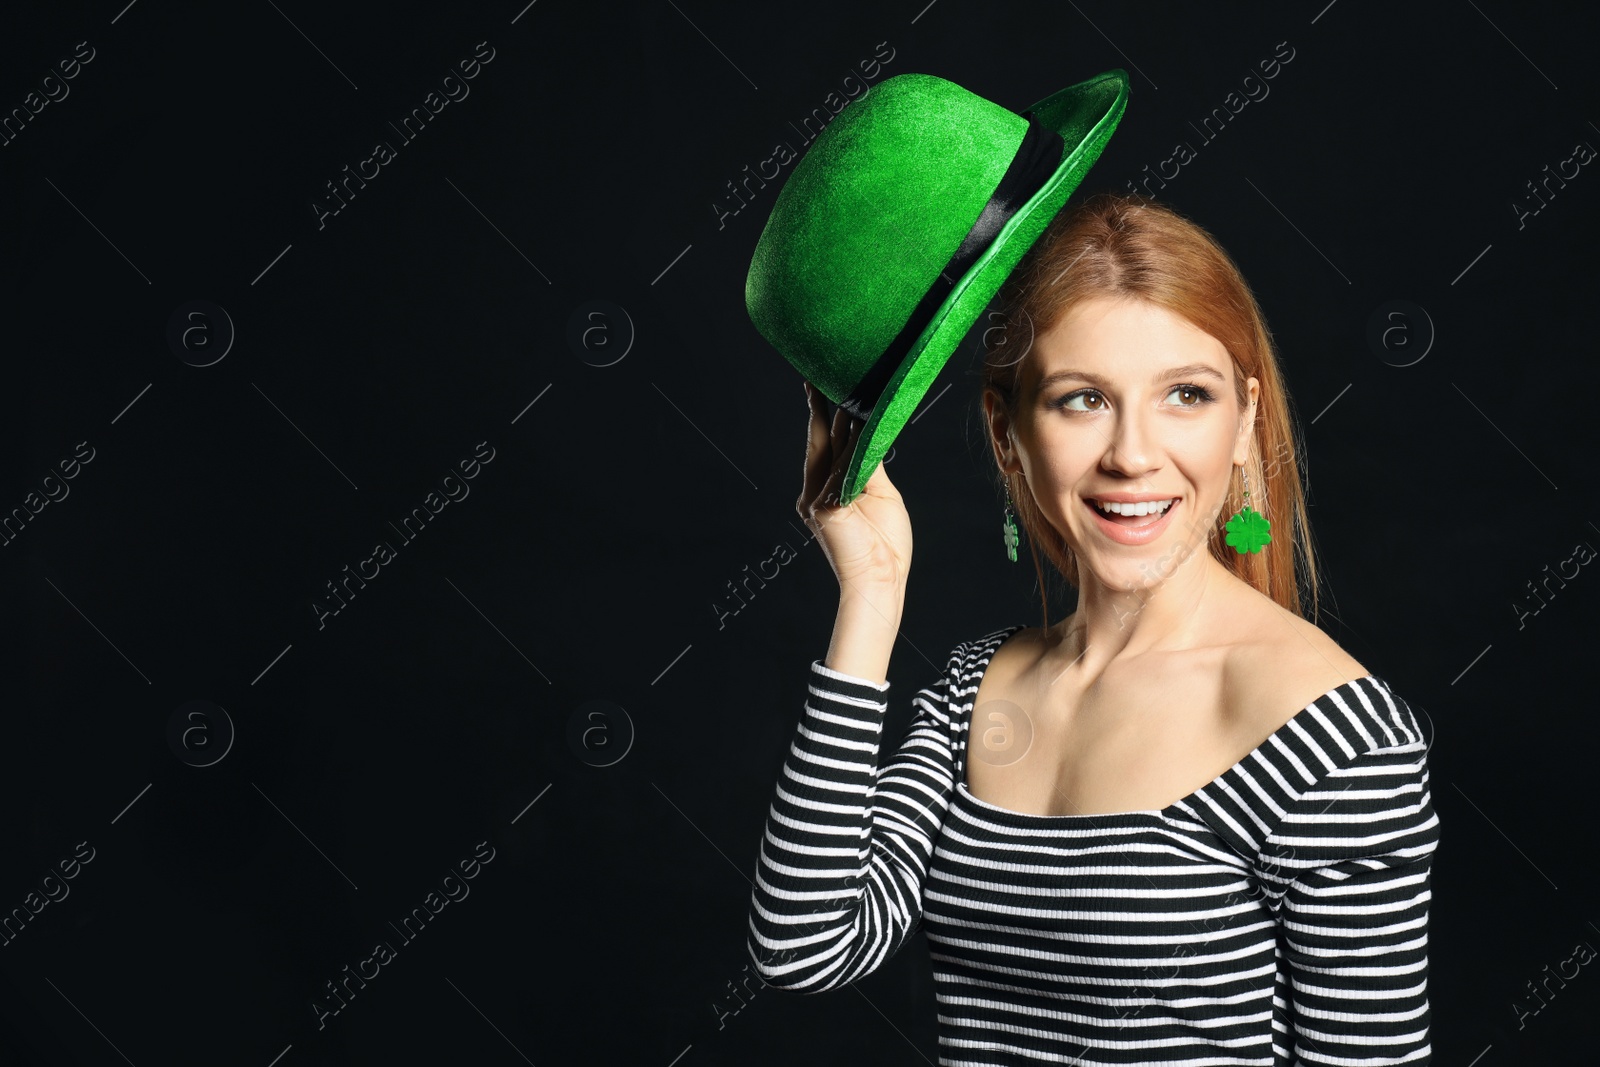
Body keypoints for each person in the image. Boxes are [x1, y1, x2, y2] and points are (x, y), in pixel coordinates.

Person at [746, 193, 1440, 1066]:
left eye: (1186, 394)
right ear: (1007, 433)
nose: (1134, 454)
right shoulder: (972, 690)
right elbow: (802, 947)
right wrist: (873, 592)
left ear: (1244, 421)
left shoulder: (1334, 739)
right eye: (1082, 401)